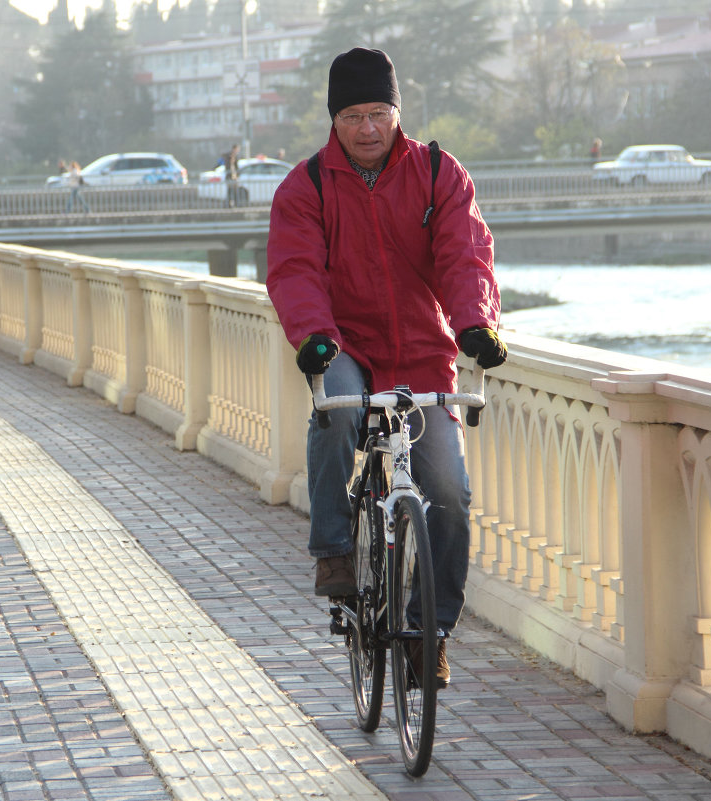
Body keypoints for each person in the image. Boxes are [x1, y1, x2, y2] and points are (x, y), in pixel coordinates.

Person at [266, 47, 507, 688]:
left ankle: (431, 634)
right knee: (334, 412)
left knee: (450, 496)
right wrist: (315, 339)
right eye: (352, 116)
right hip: (344, 345)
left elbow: (466, 255)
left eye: (378, 112)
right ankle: (334, 551)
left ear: (398, 112)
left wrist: (475, 325)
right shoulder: (306, 187)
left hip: (422, 354)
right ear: (333, 120)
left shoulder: (437, 173)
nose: (368, 128)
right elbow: (294, 271)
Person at [220, 143, 241, 207]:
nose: (237, 151)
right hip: (229, 177)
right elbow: (223, 157)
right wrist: (230, 159)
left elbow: (237, 167)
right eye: (236, 149)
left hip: (234, 177)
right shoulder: (228, 156)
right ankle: (228, 205)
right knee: (229, 191)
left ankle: (236, 204)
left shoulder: (236, 157)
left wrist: (238, 175)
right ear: (234, 149)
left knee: (235, 192)